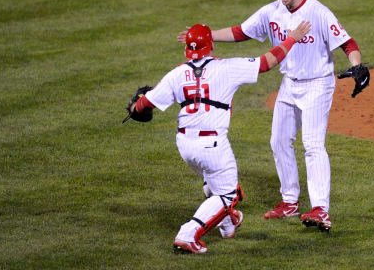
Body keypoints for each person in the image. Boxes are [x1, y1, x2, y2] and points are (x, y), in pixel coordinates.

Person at [177, 0, 369, 231]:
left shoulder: (318, 12)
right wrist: (206, 36)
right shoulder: (272, 11)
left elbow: (348, 43)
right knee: (278, 141)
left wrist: (357, 65)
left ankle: (321, 210)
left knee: (312, 145)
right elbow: (241, 32)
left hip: (317, 85)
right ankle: (290, 202)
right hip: (289, 83)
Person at [131, 21, 311, 253]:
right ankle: (188, 234)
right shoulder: (226, 68)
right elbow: (267, 62)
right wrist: (293, 38)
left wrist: (135, 107)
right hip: (212, 144)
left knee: (214, 182)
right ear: (211, 45)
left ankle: (228, 223)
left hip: (185, 145)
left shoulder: (176, 74)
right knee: (228, 194)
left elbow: (143, 105)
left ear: (188, 49)